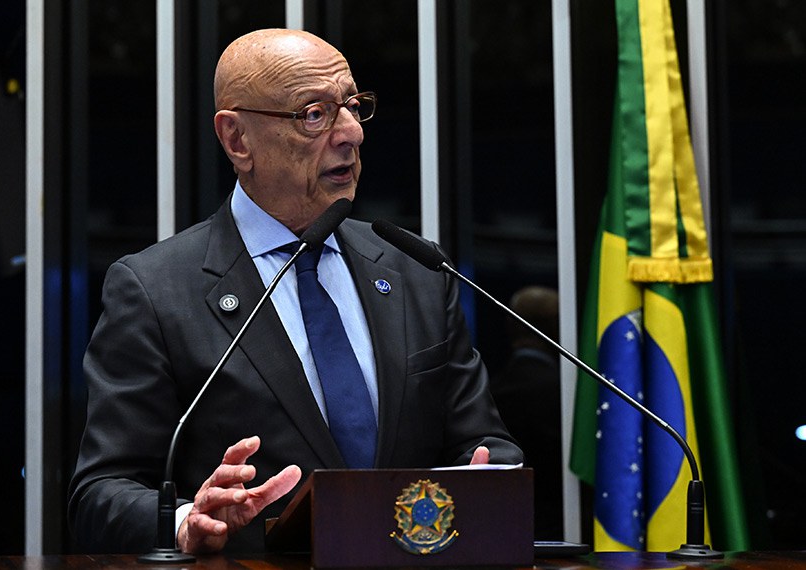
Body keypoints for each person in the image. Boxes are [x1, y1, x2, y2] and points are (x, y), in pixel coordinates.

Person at [68, 28, 522, 555]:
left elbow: (484, 444)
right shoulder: (155, 290)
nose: (351, 132)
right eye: (314, 114)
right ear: (237, 140)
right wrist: (188, 520)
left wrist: (488, 474)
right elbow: (100, 493)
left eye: (353, 106)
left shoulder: (416, 270)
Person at [489, 285, 563, 540]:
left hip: (504, 523)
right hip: (560, 522)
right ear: (556, 327)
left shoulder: (490, 390)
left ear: (511, 327)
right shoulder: (562, 392)